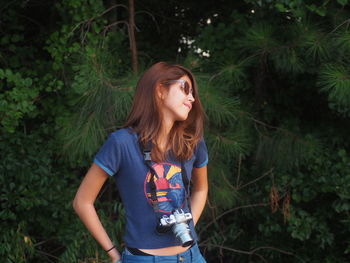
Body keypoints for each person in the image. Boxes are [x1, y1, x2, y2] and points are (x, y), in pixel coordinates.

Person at [73, 61, 209, 263]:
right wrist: (113, 254)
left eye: (192, 93)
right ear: (160, 90)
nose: (191, 98)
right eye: (185, 88)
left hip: (191, 256)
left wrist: (187, 225)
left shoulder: (192, 143)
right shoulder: (121, 143)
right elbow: (82, 202)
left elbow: (201, 189)